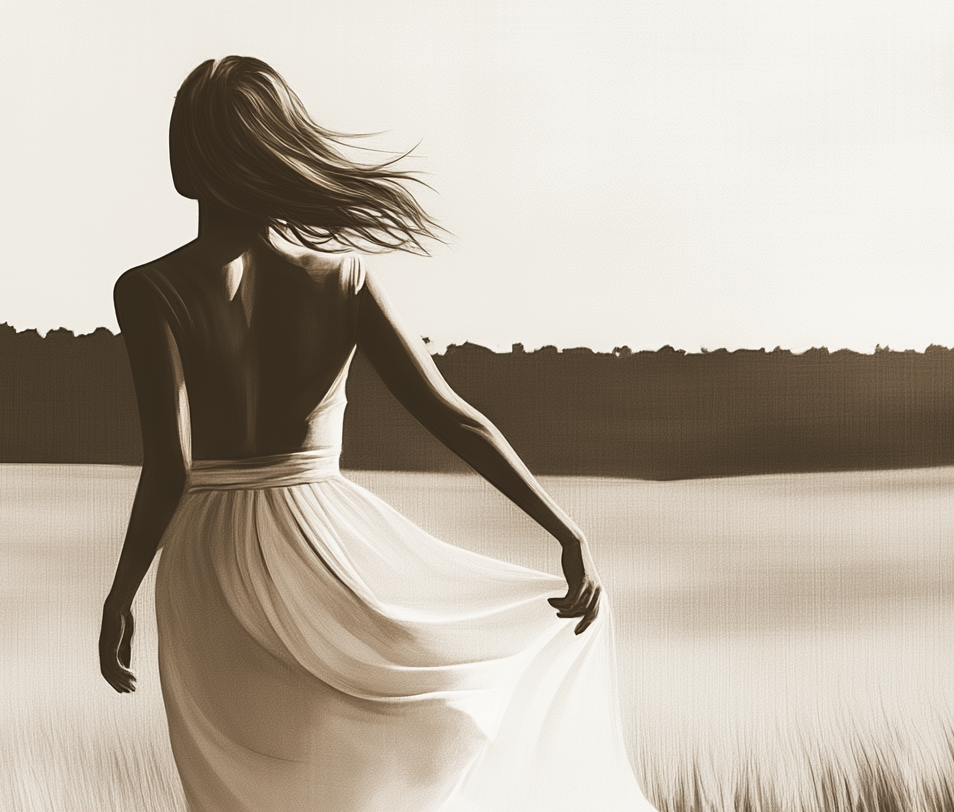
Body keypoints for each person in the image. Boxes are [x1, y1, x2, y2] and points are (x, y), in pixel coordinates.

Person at [99, 56, 659, 812]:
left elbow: (170, 467)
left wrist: (122, 592)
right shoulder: (343, 282)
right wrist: (564, 529)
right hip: (323, 543)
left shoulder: (149, 290)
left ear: (186, 158)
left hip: (210, 557)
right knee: (358, 758)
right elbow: (451, 415)